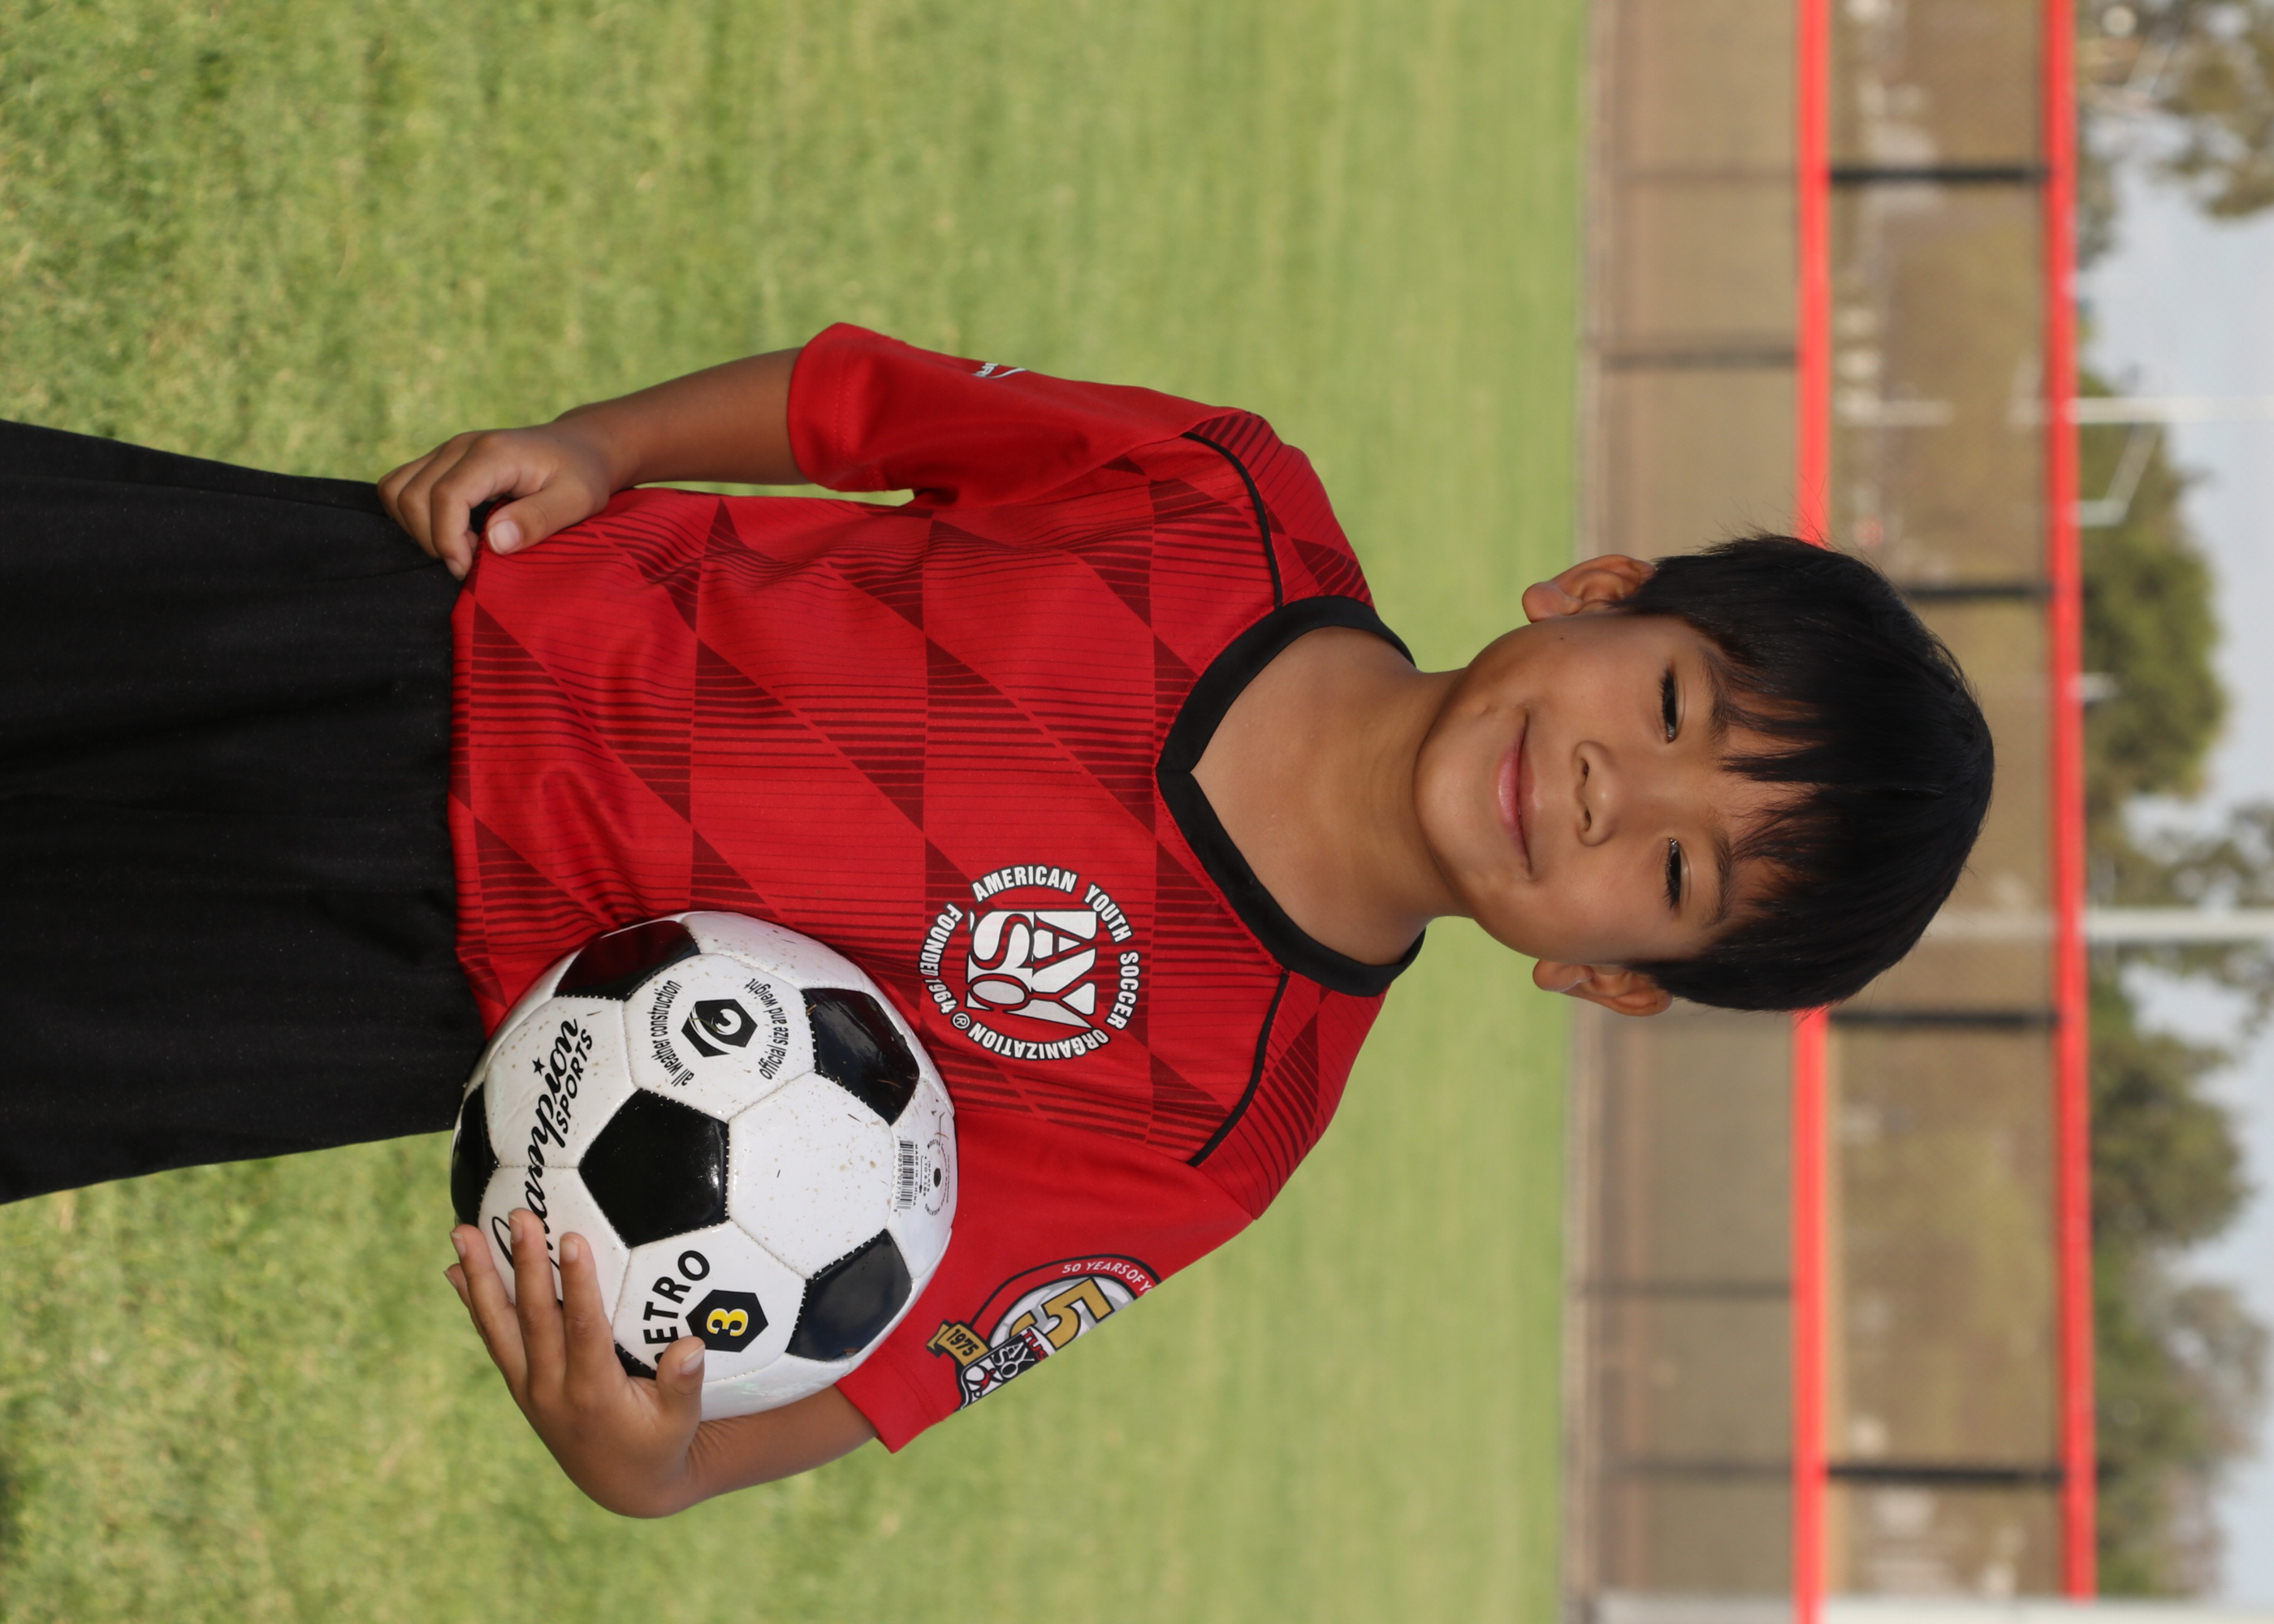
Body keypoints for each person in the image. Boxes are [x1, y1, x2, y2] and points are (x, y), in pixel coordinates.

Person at [0, 326, 1993, 1516]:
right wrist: (603, 446)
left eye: (1671, 872)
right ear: (1599, 589)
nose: (1608, 790)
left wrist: (657, 1463)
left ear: (1607, 974)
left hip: (383, 985)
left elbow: (878, 1358)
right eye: (1671, 708)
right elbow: (854, 405)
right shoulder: (1221, 497)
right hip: (393, 622)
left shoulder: (1213, 1122)